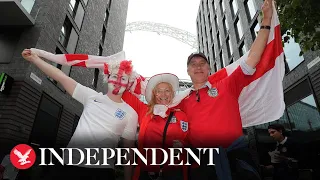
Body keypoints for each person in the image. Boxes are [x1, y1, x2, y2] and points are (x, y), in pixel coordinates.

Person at [21, 49, 139, 180]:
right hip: (67, 166)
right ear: (108, 78)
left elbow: (129, 152)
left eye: (123, 78)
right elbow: (61, 76)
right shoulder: (91, 96)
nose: (118, 81)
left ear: (128, 84)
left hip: (101, 171)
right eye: (115, 76)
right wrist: (35, 59)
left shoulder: (131, 114)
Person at [122, 73, 189, 180]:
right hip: (147, 172)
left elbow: (188, 139)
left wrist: (182, 144)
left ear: (172, 94)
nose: (163, 94)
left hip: (173, 172)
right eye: (159, 91)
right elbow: (122, 93)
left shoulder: (181, 115)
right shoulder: (144, 110)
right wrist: (124, 74)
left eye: (167, 90)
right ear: (154, 94)